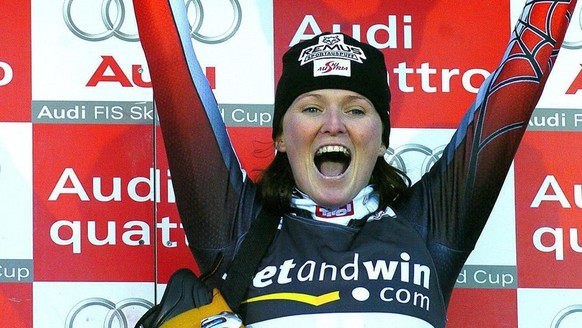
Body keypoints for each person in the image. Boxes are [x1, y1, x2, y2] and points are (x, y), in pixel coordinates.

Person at [133, 1, 577, 327]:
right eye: (310, 108)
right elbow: (170, 56)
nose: (333, 125)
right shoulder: (236, 226)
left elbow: (525, 66)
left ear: (382, 138)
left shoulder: (428, 227)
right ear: (280, 138)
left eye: (356, 109)